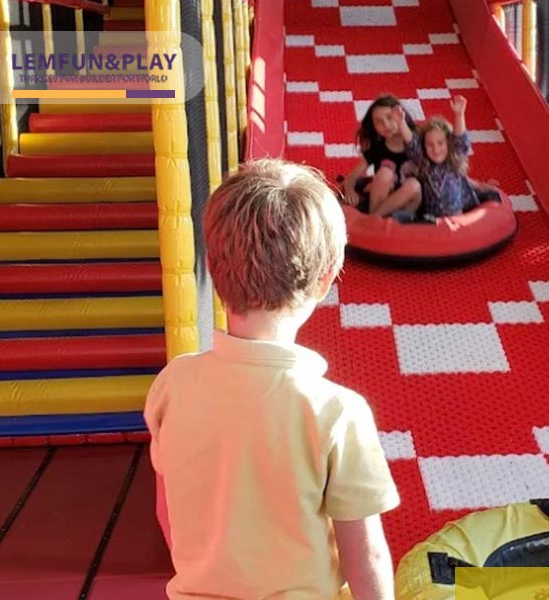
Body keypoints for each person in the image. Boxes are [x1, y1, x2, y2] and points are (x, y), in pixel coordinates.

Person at [145, 158, 400, 600]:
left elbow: (170, 512)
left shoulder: (172, 385)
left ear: (218, 279)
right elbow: (367, 558)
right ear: (323, 282)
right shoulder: (335, 412)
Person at [398, 95, 501, 219]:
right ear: (424, 147)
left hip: (459, 215)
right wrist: (401, 123)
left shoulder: (453, 161)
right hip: (434, 218)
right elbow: (412, 145)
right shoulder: (424, 163)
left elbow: (460, 142)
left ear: (448, 143)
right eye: (430, 145)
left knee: (493, 196)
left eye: (440, 143)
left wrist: (459, 115)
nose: (436, 149)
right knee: (402, 219)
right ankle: (386, 220)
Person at [340, 94, 423, 219]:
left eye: (390, 118)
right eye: (379, 122)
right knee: (384, 174)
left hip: (410, 205)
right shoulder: (377, 148)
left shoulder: (417, 141)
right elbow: (352, 177)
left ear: (401, 116)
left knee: (413, 185)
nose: (386, 125)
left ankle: (373, 219)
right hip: (382, 201)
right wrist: (350, 191)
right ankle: (376, 221)